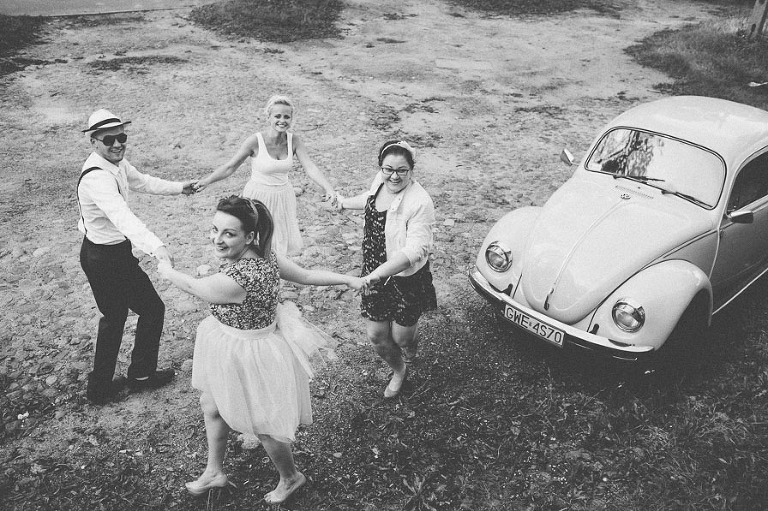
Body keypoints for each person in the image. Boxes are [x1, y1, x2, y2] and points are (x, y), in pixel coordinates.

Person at [158, 195, 364, 505]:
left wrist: (165, 269)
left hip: (250, 353)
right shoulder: (266, 256)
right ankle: (214, 471)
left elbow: (193, 287)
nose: (217, 239)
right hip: (228, 342)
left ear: (249, 236)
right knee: (211, 404)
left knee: (264, 424)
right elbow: (306, 276)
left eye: (229, 233)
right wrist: (347, 279)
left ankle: (291, 477)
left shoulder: (239, 278)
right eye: (215, 229)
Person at [77, 108, 197, 405]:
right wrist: (157, 247)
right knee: (118, 317)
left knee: (149, 309)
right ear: (94, 142)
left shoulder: (115, 163)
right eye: (109, 140)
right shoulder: (97, 178)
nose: (118, 144)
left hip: (115, 252)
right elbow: (123, 218)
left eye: (122, 137)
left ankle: (139, 375)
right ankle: (101, 389)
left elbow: (142, 181)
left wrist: (180, 188)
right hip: (102, 257)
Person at [336, 140, 437, 398]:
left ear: (412, 170)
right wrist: (343, 202)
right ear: (381, 167)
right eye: (388, 169)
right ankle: (399, 371)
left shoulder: (420, 202)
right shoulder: (380, 182)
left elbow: (415, 251)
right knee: (377, 335)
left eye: (402, 170)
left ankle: (410, 342)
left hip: (404, 279)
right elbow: (369, 199)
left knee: (402, 338)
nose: (394, 176)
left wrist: (376, 275)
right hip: (373, 274)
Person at [194, 95, 336, 256]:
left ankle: (276, 270)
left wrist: (329, 188)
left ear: (291, 119)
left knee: (278, 242)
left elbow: (310, 167)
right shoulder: (255, 141)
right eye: (277, 116)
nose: (282, 120)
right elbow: (230, 167)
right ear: (268, 117)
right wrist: (207, 181)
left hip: (283, 197)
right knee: (254, 240)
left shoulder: (294, 141)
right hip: (258, 197)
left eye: (286, 117)